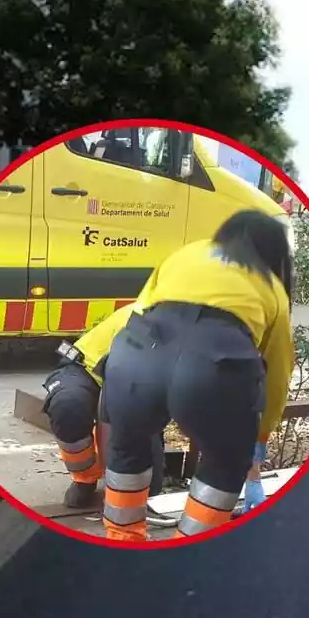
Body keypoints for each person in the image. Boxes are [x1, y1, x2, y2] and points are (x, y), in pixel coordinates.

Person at [100, 209, 294, 542]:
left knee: (128, 444)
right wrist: (258, 440)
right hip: (217, 365)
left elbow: (138, 310)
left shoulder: (185, 254)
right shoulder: (271, 284)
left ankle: (121, 539)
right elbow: (276, 374)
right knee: (225, 461)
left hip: (137, 355)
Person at [41, 303, 164, 509]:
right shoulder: (147, 319)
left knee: (148, 488)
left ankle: (144, 481)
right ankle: (84, 479)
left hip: (129, 378)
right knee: (68, 406)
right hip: (85, 368)